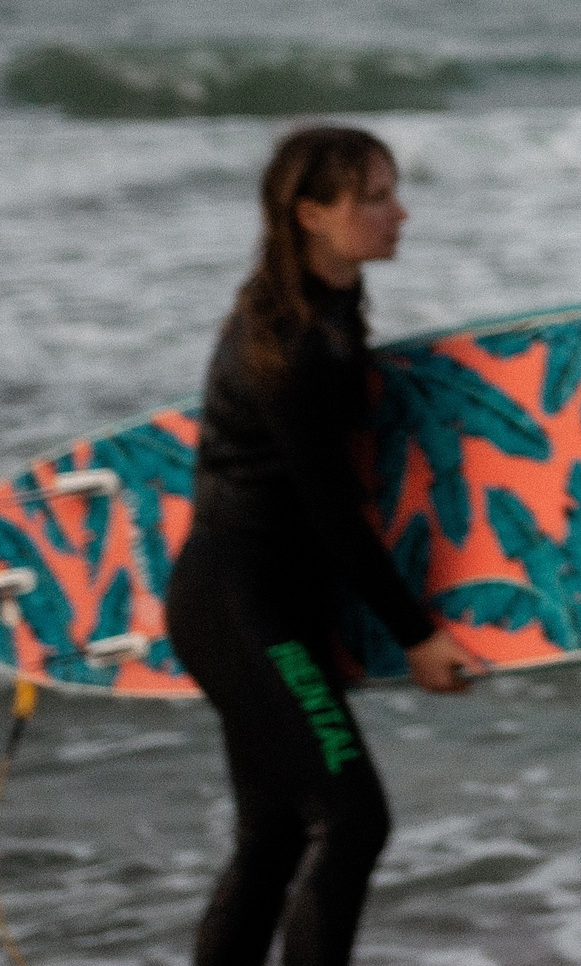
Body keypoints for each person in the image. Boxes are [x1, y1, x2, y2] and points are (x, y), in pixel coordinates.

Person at [165, 126, 480, 966]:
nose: (399, 212)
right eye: (374, 197)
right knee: (353, 818)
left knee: (272, 836)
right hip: (242, 607)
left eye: (392, 191)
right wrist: (417, 634)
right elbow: (332, 513)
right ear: (310, 213)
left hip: (266, 603)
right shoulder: (295, 345)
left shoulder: (324, 310)